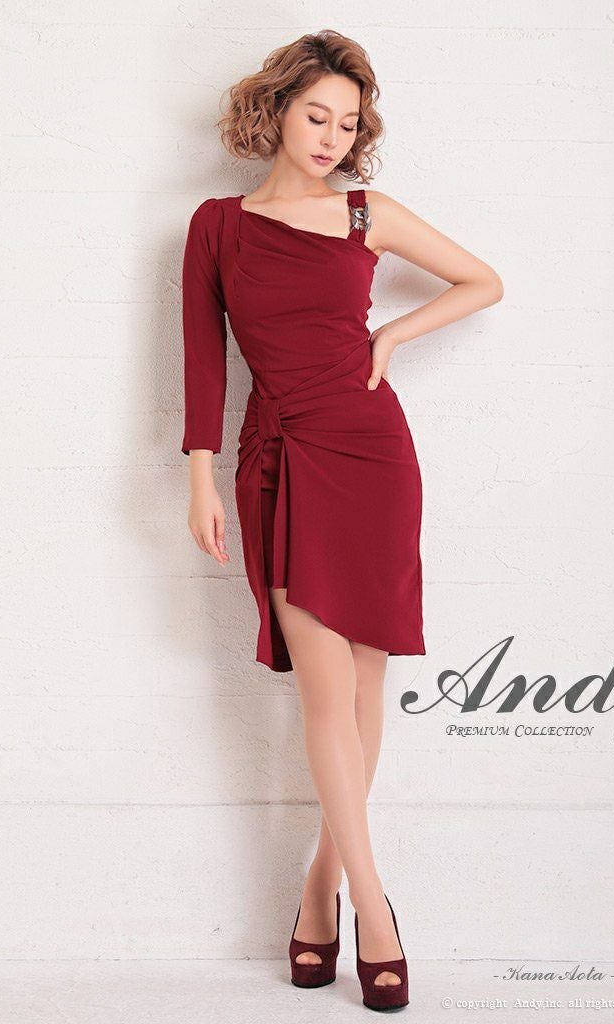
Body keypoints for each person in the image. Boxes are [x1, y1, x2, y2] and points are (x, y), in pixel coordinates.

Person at [181, 29, 503, 1012]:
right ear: (277, 110)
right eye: (316, 115)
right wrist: (199, 475)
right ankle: (374, 905)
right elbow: (202, 356)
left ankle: (321, 889)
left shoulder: (369, 213)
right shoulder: (218, 225)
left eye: (348, 124)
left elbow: (483, 280)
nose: (331, 137)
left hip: (372, 453)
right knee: (326, 690)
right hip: (280, 460)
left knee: (364, 690)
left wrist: (394, 332)